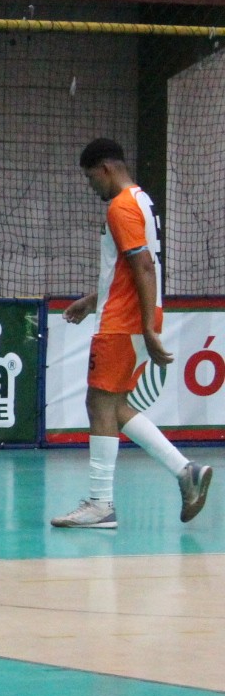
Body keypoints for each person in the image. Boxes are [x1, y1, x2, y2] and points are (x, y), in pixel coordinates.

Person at [51, 139, 211, 528]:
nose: (91, 186)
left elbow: (143, 267)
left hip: (122, 323)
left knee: (99, 404)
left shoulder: (120, 207)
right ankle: (185, 470)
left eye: (91, 178)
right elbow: (129, 269)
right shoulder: (143, 201)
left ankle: (100, 504)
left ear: (105, 169)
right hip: (128, 316)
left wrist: (146, 327)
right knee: (113, 405)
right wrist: (92, 300)